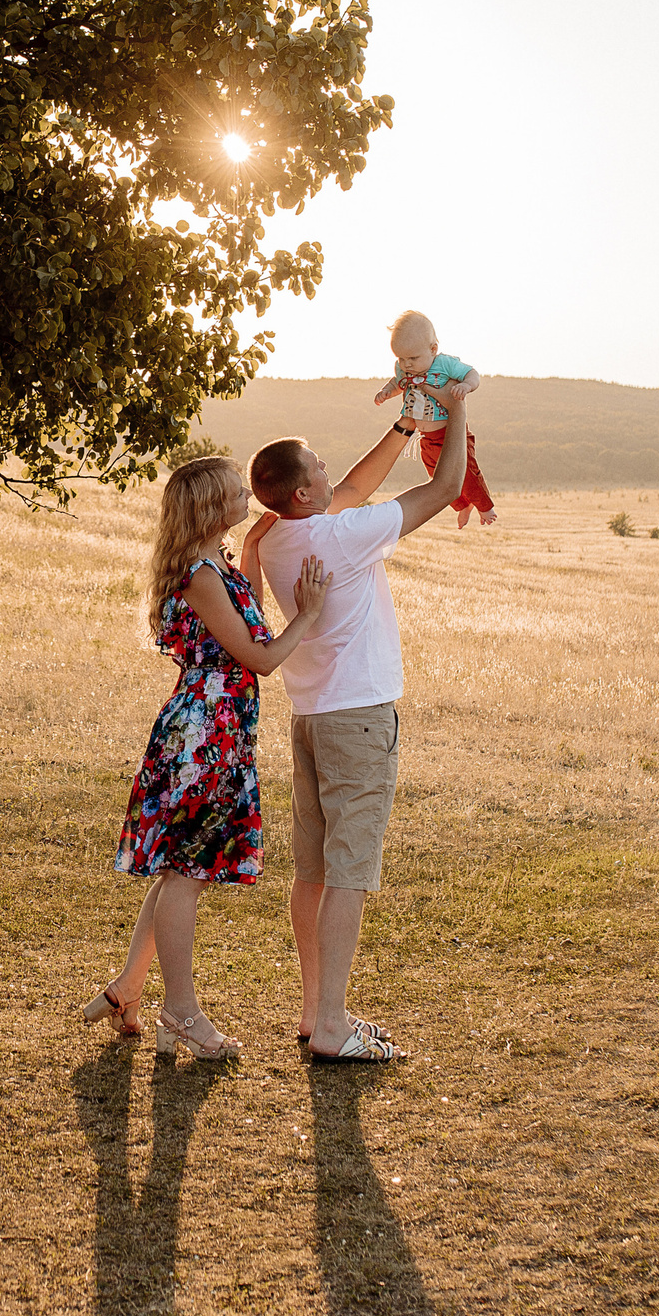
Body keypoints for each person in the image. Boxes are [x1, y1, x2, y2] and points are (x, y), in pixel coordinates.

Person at [238, 383, 471, 1061]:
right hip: (359, 721)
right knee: (348, 873)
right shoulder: (341, 536)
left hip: (311, 718)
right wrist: (456, 407)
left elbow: (352, 488)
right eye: (317, 465)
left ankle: (315, 1011)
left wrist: (404, 426)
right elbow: (446, 486)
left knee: (312, 871)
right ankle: (334, 1026)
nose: (327, 468)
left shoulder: (279, 536)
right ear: (302, 492)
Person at [82, 454, 331, 1059]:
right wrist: (308, 615)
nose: (247, 495)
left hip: (217, 729)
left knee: (179, 870)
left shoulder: (216, 565)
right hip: (204, 736)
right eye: (235, 491)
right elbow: (261, 658)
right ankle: (181, 1013)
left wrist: (253, 549)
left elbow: (248, 622)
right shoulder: (199, 575)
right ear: (210, 506)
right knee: (187, 876)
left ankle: (127, 989)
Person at [373, 309, 494, 526]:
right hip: (426, 437)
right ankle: (462, 505)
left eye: (413, 358)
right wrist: (386, 392)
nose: (406, 364)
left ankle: (485, 507)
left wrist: (466, 386)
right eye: (401, 358)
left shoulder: (444, 364)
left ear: (433, 349)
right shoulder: (403, 370)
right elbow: (396, 383)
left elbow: (472, 373)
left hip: (451, 434)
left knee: (467, 472)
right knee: (436, 477)